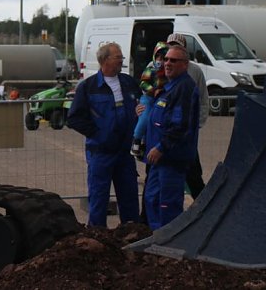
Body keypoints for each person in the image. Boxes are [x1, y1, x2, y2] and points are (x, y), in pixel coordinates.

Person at [67, 42, 140, 227]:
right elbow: (74, 118)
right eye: (118, 57)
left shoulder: (129, 83)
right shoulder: (88, 87)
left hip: (125, 153)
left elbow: (142, 103)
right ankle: (97, 235)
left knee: (130, 197)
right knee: (98, 198)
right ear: (105, 60)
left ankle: (132, 235)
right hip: (100, 153)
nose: (122, 60)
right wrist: (98, 134)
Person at [143, 45, 199, 229]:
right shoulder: (169, 87)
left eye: (173, 60)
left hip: (171, 160)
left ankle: (169, 242)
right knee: (152, 199)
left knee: (167, 205)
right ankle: (156, 237)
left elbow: (180, 125)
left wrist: (161, 148)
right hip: (158, 160)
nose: (167, 63)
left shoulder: (184, 88)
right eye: (166, 59)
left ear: (185, 64)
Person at [166, 32, 209, 199]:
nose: (169, 62)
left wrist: (197, 124)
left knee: (193, 173)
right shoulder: (157, 65)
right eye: (170, 45)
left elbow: (203, 99)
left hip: (186, 134)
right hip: (164, 133)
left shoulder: (195, 71)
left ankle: (203, 205)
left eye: (176, 46)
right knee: (156, 175)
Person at [131, 41, 169, 158]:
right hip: (148, 98)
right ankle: (136, 140)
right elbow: (143, 83)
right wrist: (153, 90)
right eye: (158, 57)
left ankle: (147, 144)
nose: (160, 60)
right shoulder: (150, 68)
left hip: (161, 100)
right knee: (145, 117)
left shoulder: (168, 72)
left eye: (163, 58)